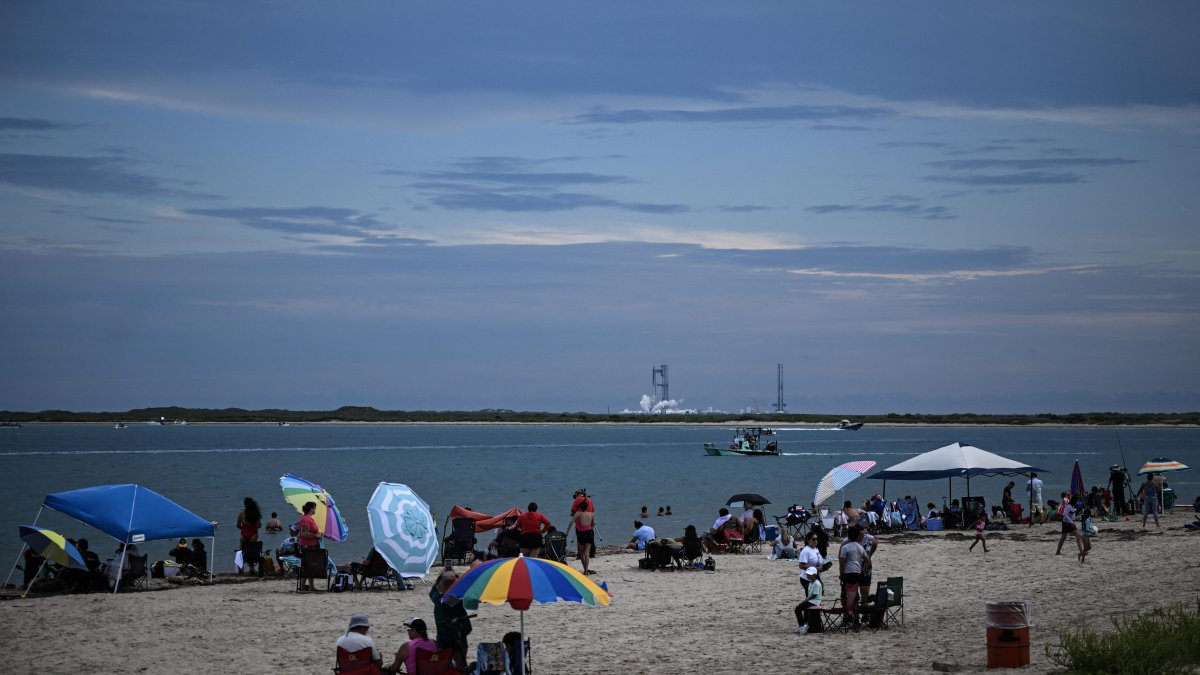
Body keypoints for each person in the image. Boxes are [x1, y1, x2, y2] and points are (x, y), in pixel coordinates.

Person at [430, 572, 471, 671]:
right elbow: (468, 628)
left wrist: (441, 575)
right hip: (460, 639)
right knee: (460, 667)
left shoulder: (437, 599)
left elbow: (432, 591)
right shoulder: (460, 602)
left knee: (444, 669)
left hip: (444, 640)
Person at [838, 525, 868, 626]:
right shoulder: (860, 547)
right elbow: (867, 560)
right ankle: (856, 619)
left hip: (848, 573)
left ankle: (847, 617)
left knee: (845, 595)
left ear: (848, 536)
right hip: (857, 573)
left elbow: (842, 564)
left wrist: (841, 576)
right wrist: (862, 570)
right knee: (855, 595)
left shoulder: (845, 547)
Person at [565, 498, 596, 575]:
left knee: (581, 553)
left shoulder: (578, 513)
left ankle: (585, 569)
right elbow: (592, 525)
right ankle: (586, 571)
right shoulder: (591, 514)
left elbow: (571, 523)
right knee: (587, 553)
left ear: (580, 508)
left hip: (581, 534)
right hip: (589, 533)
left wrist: (567, 533)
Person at [794, 566, 824, 635]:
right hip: (812, 601)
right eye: (808, 574)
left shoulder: (816, 583)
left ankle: (802, 626)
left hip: (815, 602)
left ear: (814, 575)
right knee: (800, 609)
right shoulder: (810, 583)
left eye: (810, 574)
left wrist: (804, 601)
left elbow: (814, 595)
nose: (808, 576)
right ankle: (803, 625)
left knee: (797, 609)